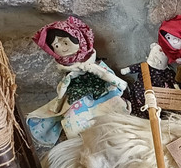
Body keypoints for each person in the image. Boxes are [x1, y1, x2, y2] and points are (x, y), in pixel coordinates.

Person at [27, 17, 128, 147]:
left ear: (79, 39)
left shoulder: (94, 65)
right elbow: (63, 89)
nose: (62, 48)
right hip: (77, 95)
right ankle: (82, 139)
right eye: (56, 46)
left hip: (102, 89)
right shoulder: (69, 71)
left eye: (65, 42)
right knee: (71, 115)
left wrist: (97, 72)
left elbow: (108, 76)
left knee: (114, 107)